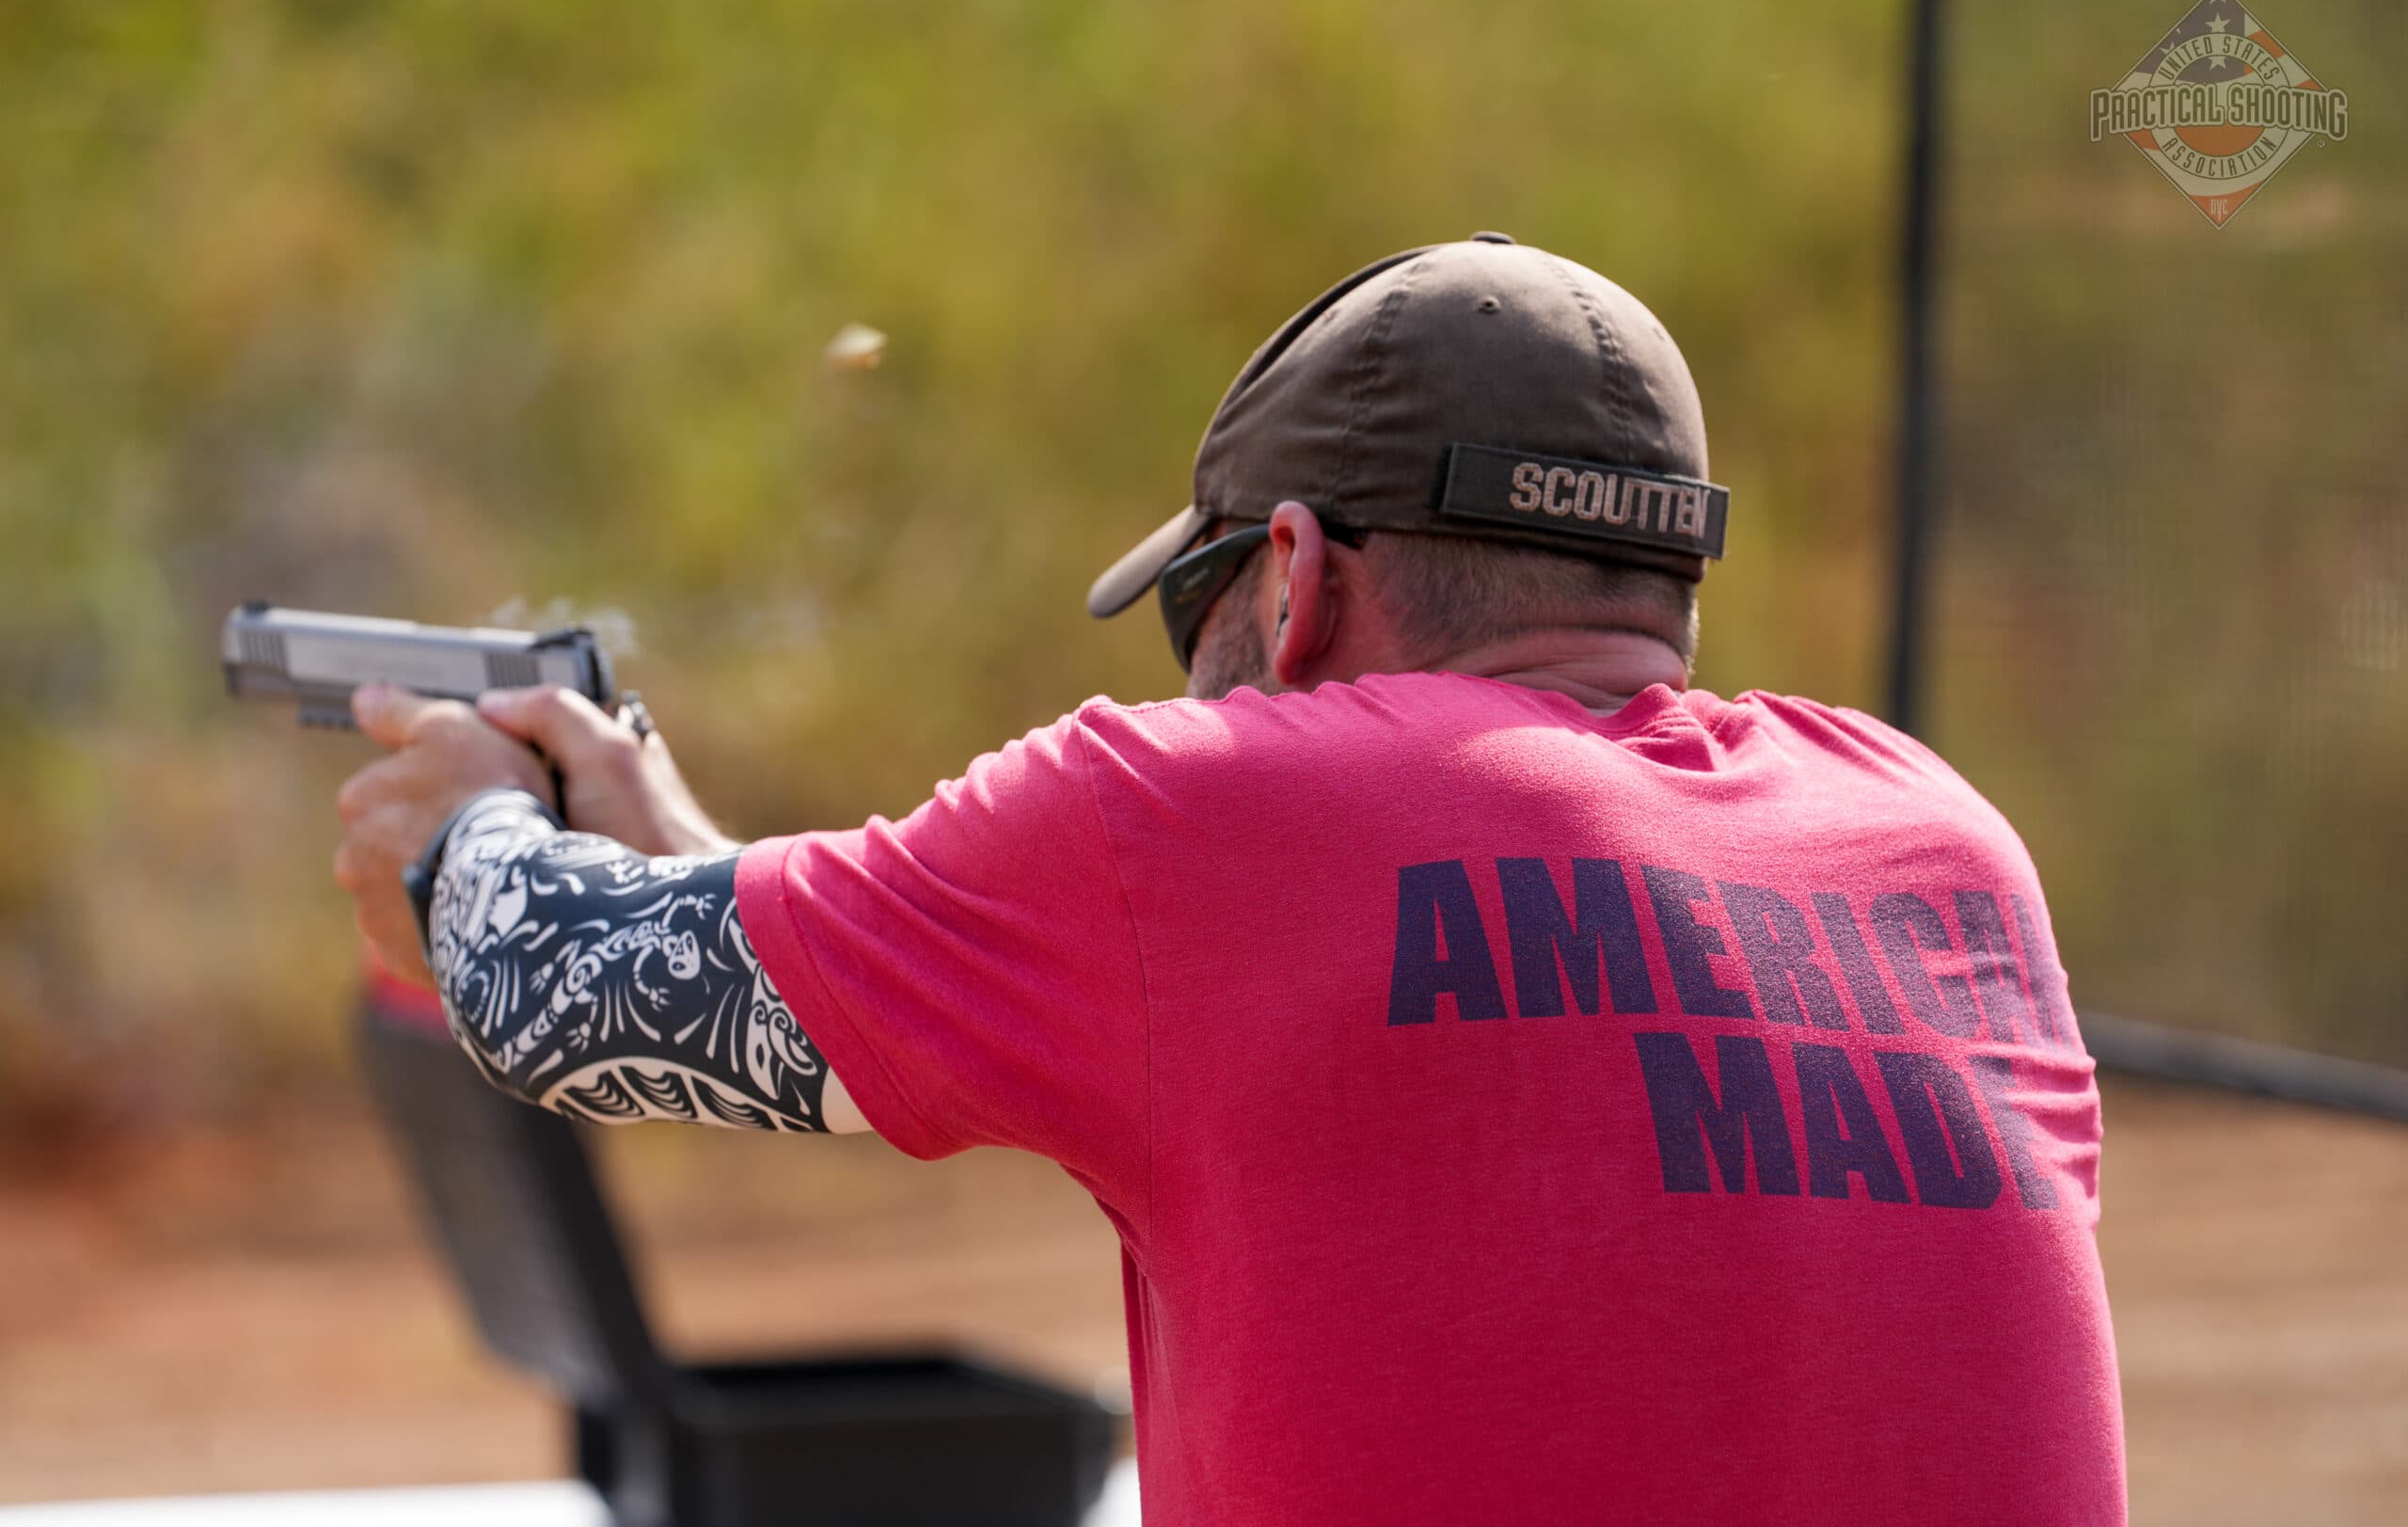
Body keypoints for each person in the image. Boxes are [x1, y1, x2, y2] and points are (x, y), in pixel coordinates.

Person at [334, 232, 2126, 1524]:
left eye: (1199, 619)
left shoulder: (1205, 822)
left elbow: (542, 984)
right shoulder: (1942, 845)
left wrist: (461, 822)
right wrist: (681, 846)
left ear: (1292, 573)